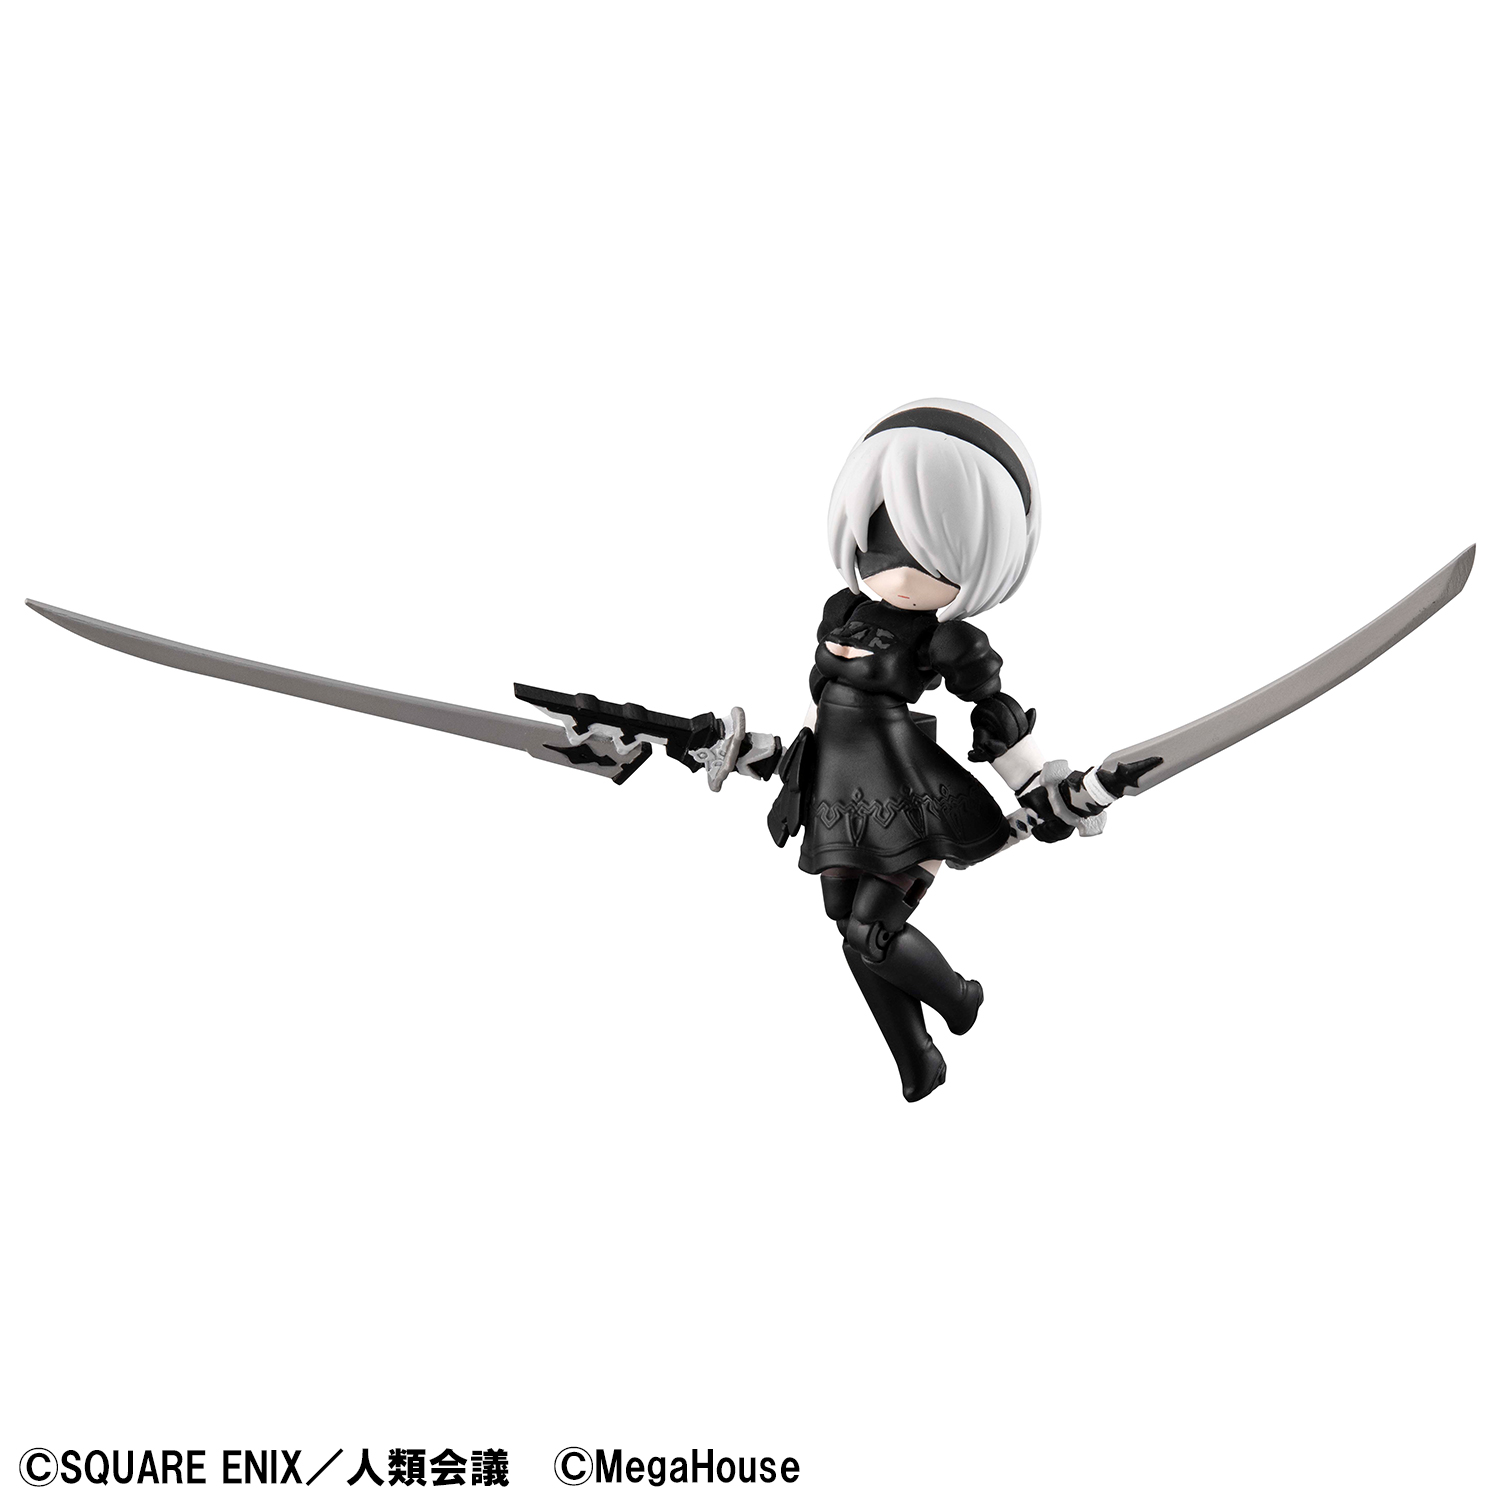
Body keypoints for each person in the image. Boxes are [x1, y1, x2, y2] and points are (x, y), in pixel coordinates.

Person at [770, 398, 1093, 1101]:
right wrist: (786, 765)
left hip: (907, 796)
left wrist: (1039, 789)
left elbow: (996, 720)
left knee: (871, 933)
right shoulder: (841, 612)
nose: (891, 566)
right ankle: (918, 1056)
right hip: (837, 790)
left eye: (918, 549)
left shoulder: (948, 641)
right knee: (848, 926)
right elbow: (818, 704)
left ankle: (957, 1000)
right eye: (879, 540)